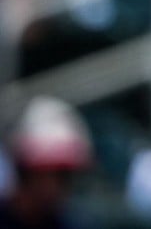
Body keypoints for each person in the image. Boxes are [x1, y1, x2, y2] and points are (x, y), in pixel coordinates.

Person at [0, 96, 95, 229]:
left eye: (63, 175)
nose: (55, 188)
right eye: (48, 173)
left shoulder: (69, 223)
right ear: (25, 172)